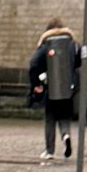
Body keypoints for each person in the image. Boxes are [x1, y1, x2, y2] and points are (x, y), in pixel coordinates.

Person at [27, 19, 80, 162]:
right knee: (63, 117)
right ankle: (66, 136)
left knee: (50, 119)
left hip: (51, 86)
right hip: (68, 87)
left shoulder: (47, 44)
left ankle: (49, 151)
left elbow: (33, 63)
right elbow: (81, 61)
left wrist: (37, 82)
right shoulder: (73, 44)